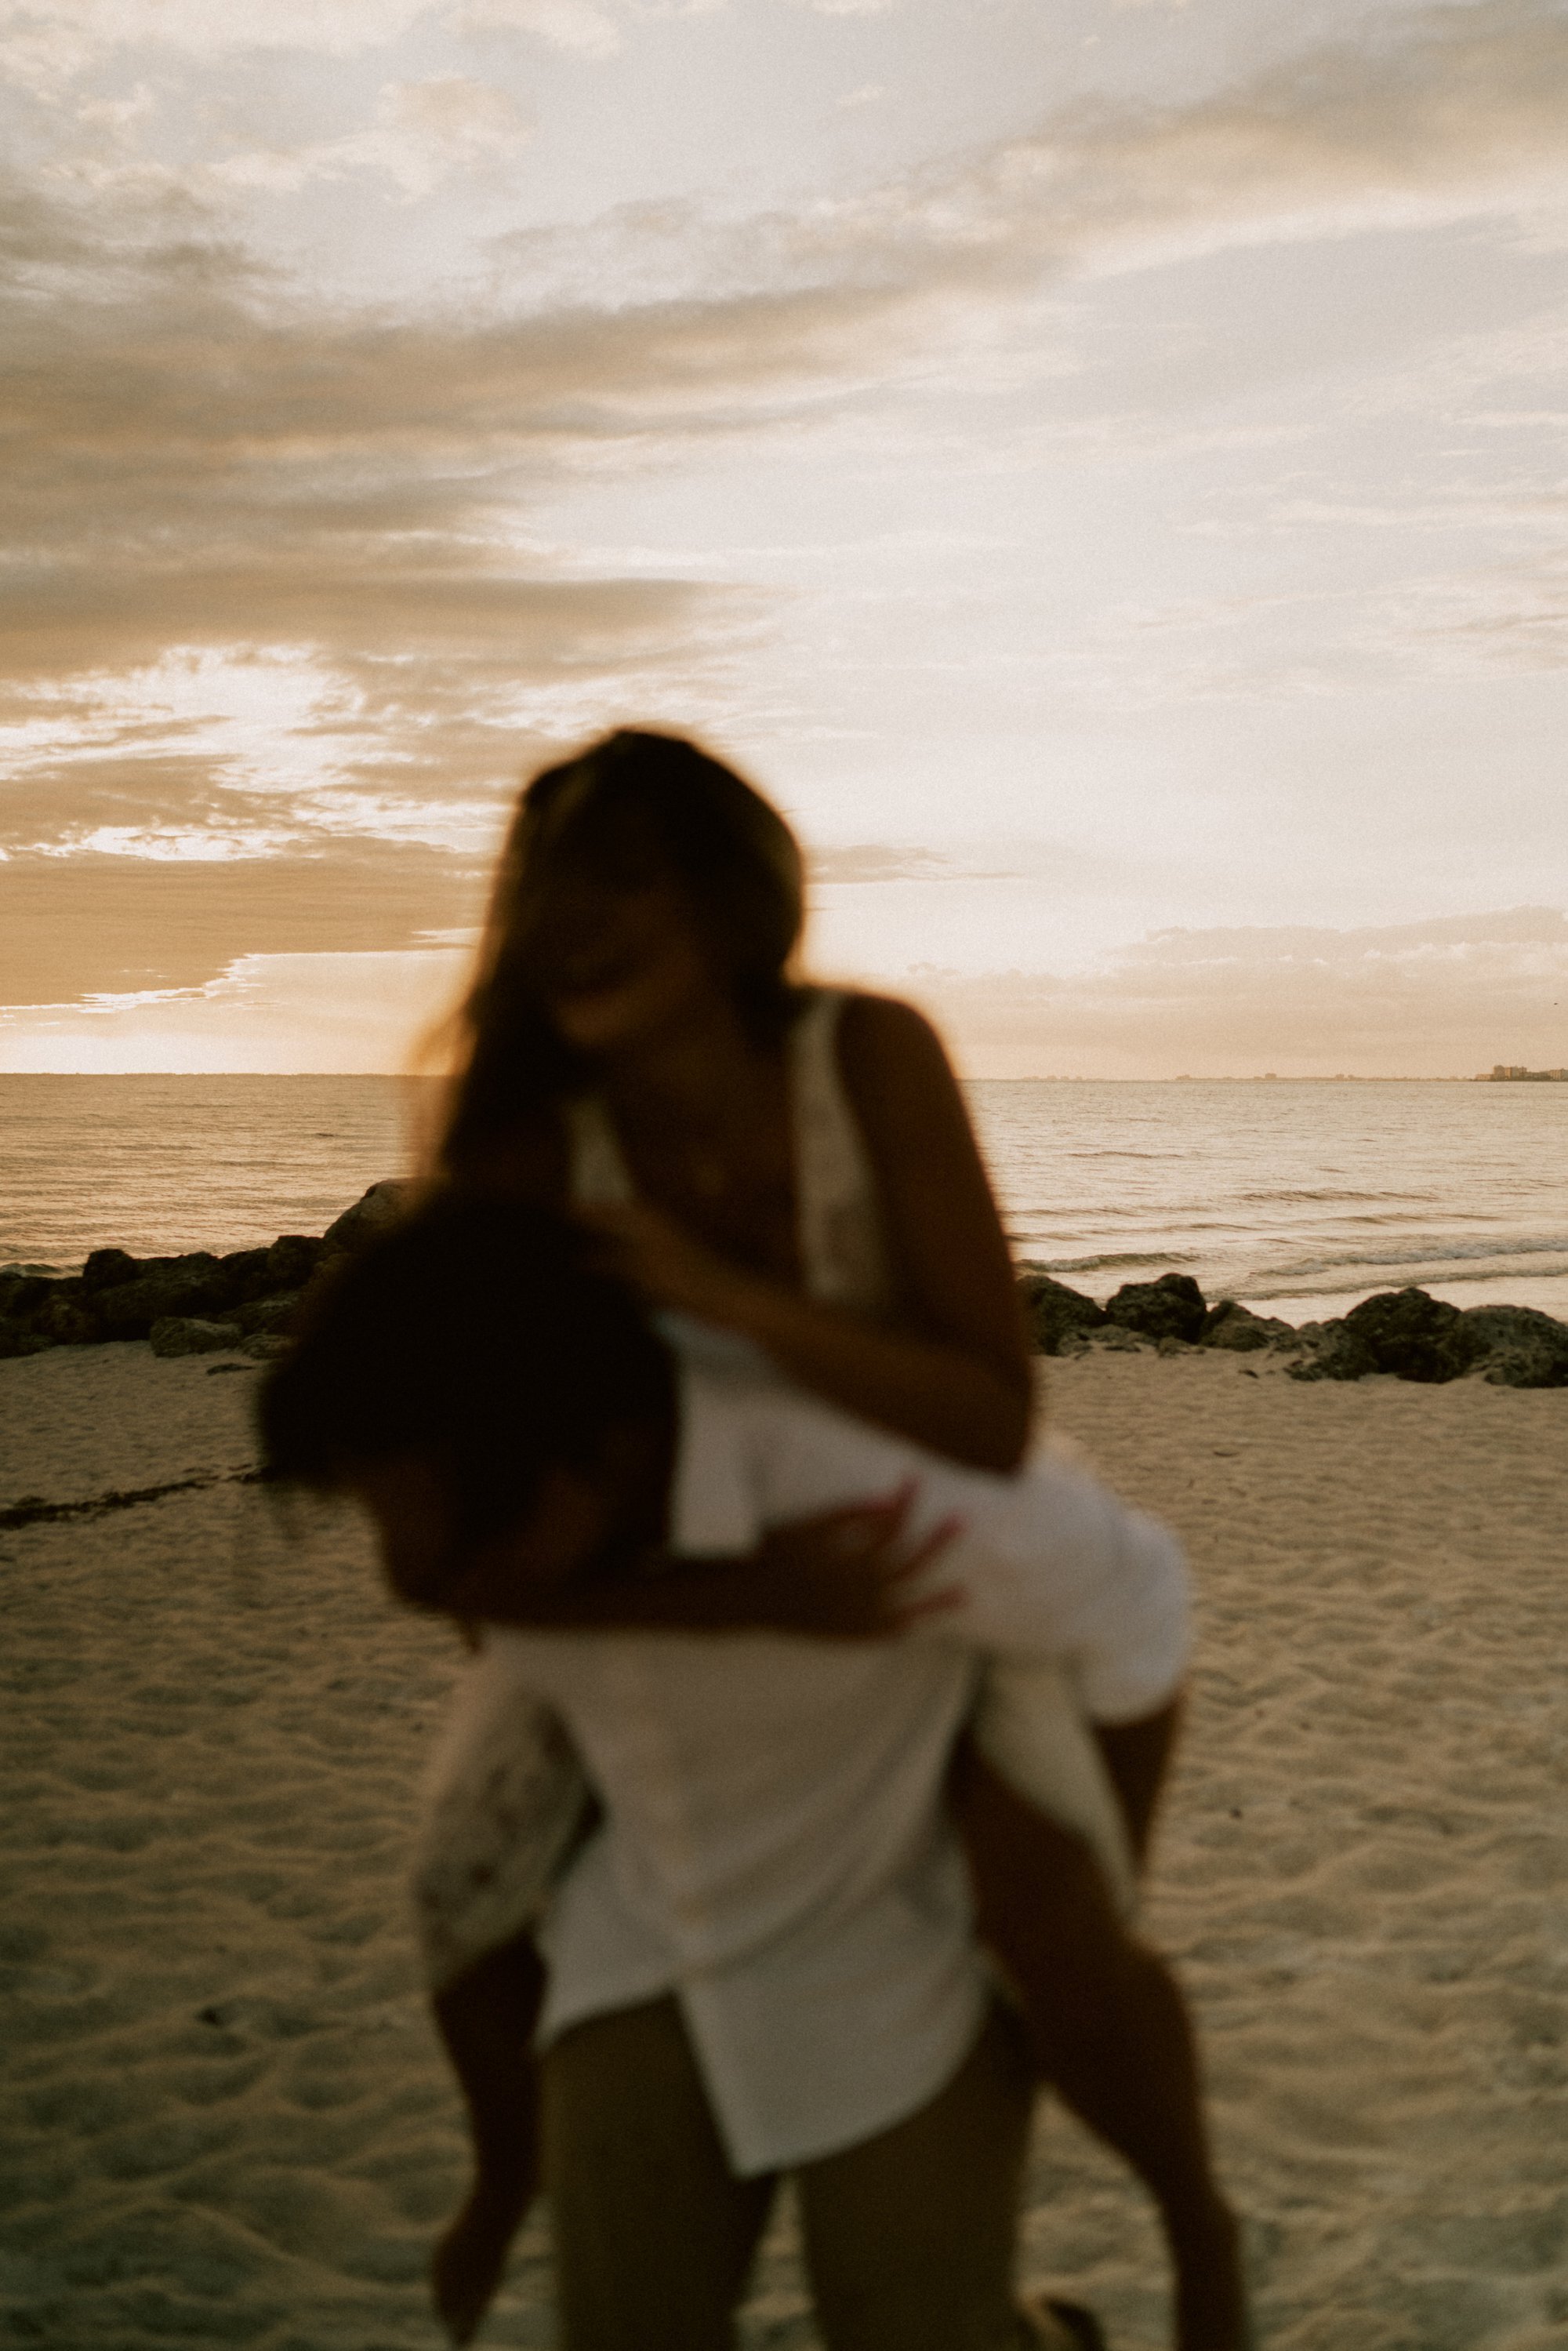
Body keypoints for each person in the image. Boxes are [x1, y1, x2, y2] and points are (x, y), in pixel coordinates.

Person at [408, 727, 1245, 2348]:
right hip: (666, 1614)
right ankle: (497, 2169)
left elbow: (989, 1414)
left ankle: (1191, 2229)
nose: (565, 921)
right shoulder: (524, 1142)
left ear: (732, 901)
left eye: (618, 879)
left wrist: (711, 1289)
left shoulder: (865, 1058)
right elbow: (452, 1547)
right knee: (464, 1874)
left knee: (1055, 1924)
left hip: (931, 1563)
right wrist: (741, 1592)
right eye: (539, 889)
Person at [260, 1193, 1200, 2351]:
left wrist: (1103, 1887)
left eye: (444, 1546)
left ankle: (1104, 2296)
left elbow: (1139, 1594)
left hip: (898, 1927)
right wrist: (759, 1596)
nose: (411, 1587)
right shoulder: (504, 1473)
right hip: (648, 1921)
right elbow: (463, 1901)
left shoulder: (874, 1482)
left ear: (592, 1463)